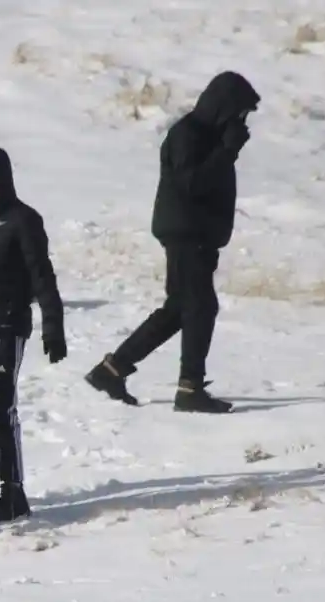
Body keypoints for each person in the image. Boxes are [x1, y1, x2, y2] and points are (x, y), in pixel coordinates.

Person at [85, 71, 261, 414]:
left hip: (196, 235)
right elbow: (191, 184)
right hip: (186, 235)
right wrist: (227, 151)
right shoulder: (188, 134)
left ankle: (112, 370)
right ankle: (189, 388)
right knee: (199, 307)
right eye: (238, 113)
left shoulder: (207, 135)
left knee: (180, 310)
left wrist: (226, 149)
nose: (241, 122)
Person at [0, 146, 67, 524]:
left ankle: (13, 493)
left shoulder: (23, 221)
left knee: (2, 408)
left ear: (0, 184)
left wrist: (53, 325)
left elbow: (42, 276)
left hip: (8, 327)